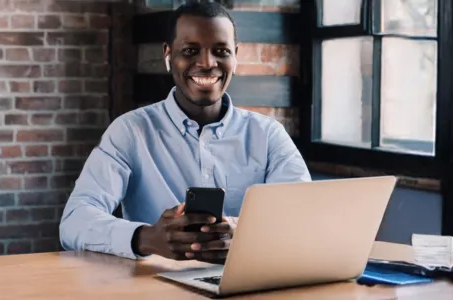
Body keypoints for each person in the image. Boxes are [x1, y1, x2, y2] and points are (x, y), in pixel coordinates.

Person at [58, 2, 310, 264]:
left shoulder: (268, 135)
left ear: (235, 58)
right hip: (153, 281)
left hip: (248, 279)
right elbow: (74, 221)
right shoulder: (130, 131)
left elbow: (304, 216)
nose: (207, 63)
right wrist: (146, 238)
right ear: (168, 55)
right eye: (190, 51)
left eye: (221, 51)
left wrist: (249, 234)